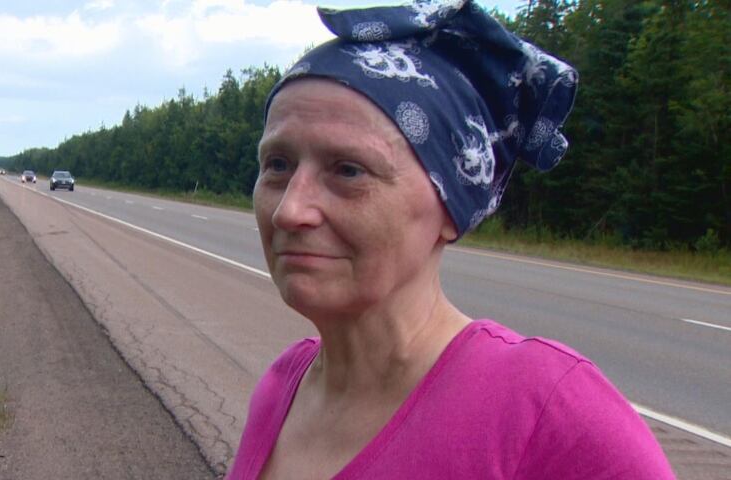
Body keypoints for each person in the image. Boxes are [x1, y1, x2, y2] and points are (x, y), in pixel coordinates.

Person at [229, 1, 675, 478]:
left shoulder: (546, 413)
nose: (290, 210)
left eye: (349, 170)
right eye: (278, 164)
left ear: (450, 206)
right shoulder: (283, 384)